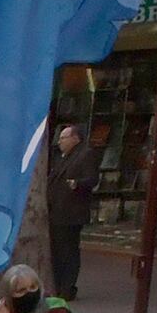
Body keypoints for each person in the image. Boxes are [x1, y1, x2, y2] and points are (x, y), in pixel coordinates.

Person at [47, 123, 101, 300]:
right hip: (57, 210)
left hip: (71, 212)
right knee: (57, 250)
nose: (60, 141)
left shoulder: (85, 154)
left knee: (68, 250)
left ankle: (67, 286)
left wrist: (76, 184)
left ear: (75, 139)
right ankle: (59, 284)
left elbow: (92, 179)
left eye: (64, 138)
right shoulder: (62, 157)